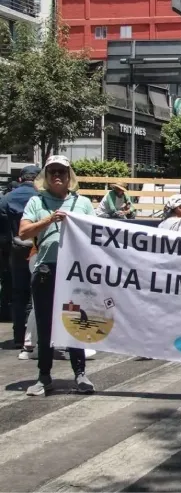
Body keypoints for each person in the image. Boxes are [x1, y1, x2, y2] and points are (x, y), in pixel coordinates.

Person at [19, 155, 98, 396]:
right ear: (46, 176)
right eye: (52, 171)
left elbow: (96, 235)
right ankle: (44, 377)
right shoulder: (36, 201)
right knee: (45, 326)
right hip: (46, 270)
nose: (57, 176)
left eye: (61, 172)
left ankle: (80, 374)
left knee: (76, 324)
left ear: (68, 176)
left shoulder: (83, 203)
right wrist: (49, 219)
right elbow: (23, 232)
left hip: (74, 273)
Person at [0, 165, 39, 354]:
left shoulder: (7, 198)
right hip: (39, 249)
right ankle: (33, 338)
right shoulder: (43, 197)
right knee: (39, 293)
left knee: (18, 293)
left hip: (16, 249)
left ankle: (18, 337)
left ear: (21, 179)